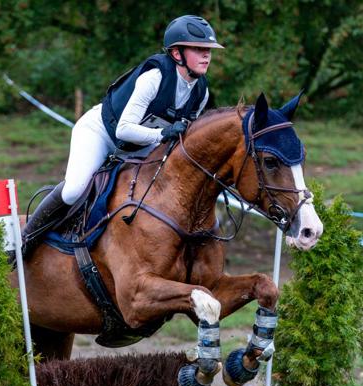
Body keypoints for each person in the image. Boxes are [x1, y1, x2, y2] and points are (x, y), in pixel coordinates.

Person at [21, 15, 224, 243]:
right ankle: (26, 237)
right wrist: (162, 134)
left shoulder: (201, 92)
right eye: (198, 49)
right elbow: (124, 130)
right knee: (74, 191)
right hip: (101, 133)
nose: (207, 55)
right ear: (177, 54)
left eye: (209, 49)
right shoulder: (155, 77)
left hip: (140, 147)